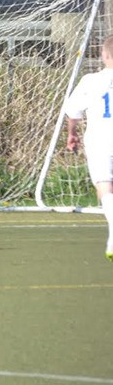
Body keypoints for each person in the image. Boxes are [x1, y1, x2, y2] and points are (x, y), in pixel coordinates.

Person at [65, 36, 113, 261]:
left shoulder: (90, 80)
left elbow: (73, 112)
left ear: (104, 56)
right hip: (100, 139)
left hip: (100, 139)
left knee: (104, 185)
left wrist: (72, 134)